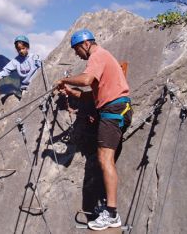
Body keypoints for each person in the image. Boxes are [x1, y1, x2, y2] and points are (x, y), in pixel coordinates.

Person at [55, 29, 132, 231]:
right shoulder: (104, 56)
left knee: (105, 159)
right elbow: (91, 95)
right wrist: (71, 92)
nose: (76, 54)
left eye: (76, 50)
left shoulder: (97, 55)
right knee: (105, 159)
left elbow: (87, 80)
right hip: (116, 109)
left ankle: (112, 214)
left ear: (85, 44)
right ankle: (110, 209)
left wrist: (65, 80)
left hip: (113, 111)